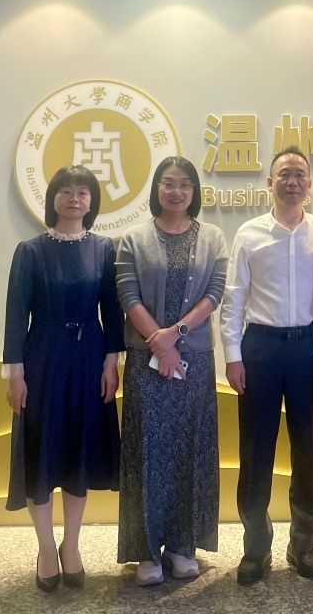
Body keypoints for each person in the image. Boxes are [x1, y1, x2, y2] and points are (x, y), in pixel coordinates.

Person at [3, 165, 123, 592]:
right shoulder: (30, 251)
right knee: (42, 453)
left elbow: (112, 312)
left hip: (89, 359)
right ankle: (45, 549)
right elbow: (15, 316)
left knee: (78, 453)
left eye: (83, 192)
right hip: (42, 359)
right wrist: (14, 374)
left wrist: (111, 364)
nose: (75, 198)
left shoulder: (104, 249)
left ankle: (71, 546)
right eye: (66, 191)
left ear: (92, 201)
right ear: (52, 198)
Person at [219, 147, 313, 585]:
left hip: (306, 348)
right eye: (284, 174)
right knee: (255, 451)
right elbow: (234, 298)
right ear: (270, 182)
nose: (292, 181)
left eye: (300, 174)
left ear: (310, 184)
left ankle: (303, 545)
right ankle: (256, 548)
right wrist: (233, 356)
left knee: (307, 451)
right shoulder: (249, 233)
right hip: (260, 348)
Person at [115, 156, 228, 586]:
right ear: (156, 189)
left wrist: (175, 335)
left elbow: (214, 291)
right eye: (168, 183)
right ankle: (146, 551)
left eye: (184, 184)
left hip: (194, 359)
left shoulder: (213, 237)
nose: (176, 191)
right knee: (146, 452)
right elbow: (128, 295)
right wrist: (158, 342)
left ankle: (183, 546)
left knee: (189, 450)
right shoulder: (133, 238)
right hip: (146, 362)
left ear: (193, 191)